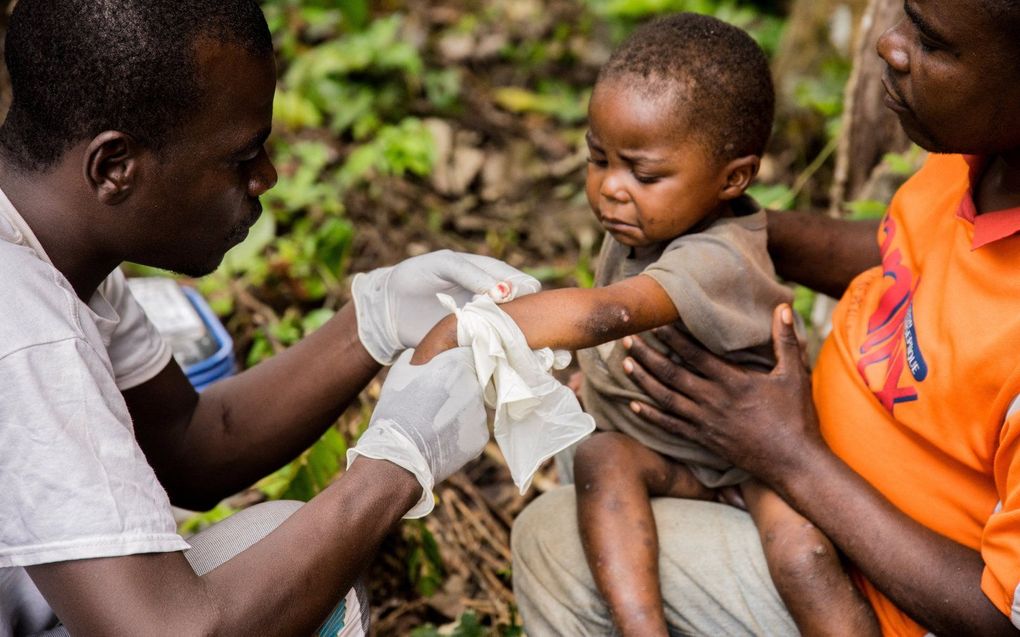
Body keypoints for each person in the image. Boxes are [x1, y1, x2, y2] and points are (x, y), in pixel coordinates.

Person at [0, 1, 541, 635]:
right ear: (115, 167)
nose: (268, 176)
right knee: (304, 600)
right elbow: (167, 632)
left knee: (277, 545)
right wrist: (397, 466)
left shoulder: (58, 253)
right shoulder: (25, 326)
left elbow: (189, 446)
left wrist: (373, 321)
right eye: (240, 156)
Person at [512, 0, 1020, 635]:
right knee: (585, 445)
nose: (889, 45)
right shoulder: (980, 156)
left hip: (880, 588)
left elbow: (1003, 619)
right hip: (779, 457)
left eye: (934, 43)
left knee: (552, 541)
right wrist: (716, 242)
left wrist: (790, 456)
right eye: (907, 15)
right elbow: (907, 249)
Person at [412, 13, 875, 637]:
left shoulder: (717, 256)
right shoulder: (648, 225)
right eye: (597, 159)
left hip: (755, 465)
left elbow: (610, 313)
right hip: (672, 454)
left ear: (733, 178)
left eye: (644, 173)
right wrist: (596, 379)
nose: (611, 189)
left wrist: (471, 328)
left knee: (803, 556)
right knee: (603, 461)